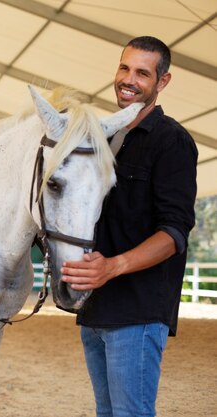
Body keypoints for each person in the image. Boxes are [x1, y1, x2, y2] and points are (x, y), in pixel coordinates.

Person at [61, 36, 198, 417]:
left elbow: (174, 233)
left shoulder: (172, 141)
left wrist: (113, 266)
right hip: (95, 308)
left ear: (162, 81)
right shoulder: (103, 136)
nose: (129, 79)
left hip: (138, 312)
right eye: (125, 68)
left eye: (142, 72)